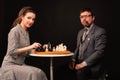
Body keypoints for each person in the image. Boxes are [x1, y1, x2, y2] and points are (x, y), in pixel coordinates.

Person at [0, 6, 48, 80]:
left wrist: (41, 48)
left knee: (40, 72)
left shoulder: (26, 33)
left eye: (33, 19)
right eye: (28, 18)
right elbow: (12, 52)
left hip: (21, 65)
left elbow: (28, 53)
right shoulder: (14, 31)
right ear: (22, 17)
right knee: (33, 73)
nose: (31, 21)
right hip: (10, 66)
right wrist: (31, 46)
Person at [69, 8, 107, 80]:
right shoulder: (80, 32)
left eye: (87, 16)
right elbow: (78, 48)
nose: (84, 18)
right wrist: (73, 59)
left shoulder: (100, 31)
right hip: (80, 65)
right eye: (82, 17)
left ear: (93, 18)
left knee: (80, 73)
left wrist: (82, 65)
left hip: (93, 68)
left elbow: (99, 52)